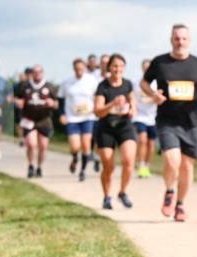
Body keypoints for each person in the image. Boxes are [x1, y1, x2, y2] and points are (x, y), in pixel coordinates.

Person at [141, 24, 197, 222]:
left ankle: (181, 205)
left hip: (190, 123)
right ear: (171, 40)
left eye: (183, 38)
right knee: (172, 160)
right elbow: (144, 82)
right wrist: (153, 94)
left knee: (187, 167)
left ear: (189, 40)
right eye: (176, 38)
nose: (180, 42)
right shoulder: (160, 62)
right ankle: (169, 191)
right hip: (167, 120)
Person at [94, 53, 138, 209]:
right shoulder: (103, 87)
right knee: (109, 165)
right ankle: (106, 196)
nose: (118, 69)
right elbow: (97, 111)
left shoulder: (128, 84)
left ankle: (123, 192)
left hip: (125, 126)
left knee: (128, 161)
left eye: (121, 66)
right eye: (114, 66)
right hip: (106, 127)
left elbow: (133, 104)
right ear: (109, 68)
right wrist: (112, 103)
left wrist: (132, 110)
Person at [14, 65, 58, 178]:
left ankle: (39, 167)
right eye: (35, 72)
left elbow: (57, 103)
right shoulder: (25, 86)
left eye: (39, 72)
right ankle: (31, 165)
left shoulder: (49, 86)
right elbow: (15, 97)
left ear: (42, 73)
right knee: (31, 144)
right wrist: (18, 102)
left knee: (43, 146)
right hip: (29, 119)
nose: (37, 74)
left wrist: (52, 103)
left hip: (44, 120)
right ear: (32, 73)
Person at [59, 58, 99, 181]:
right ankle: (75, 157)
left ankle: (83, 170)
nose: (79, 71)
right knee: (75, 146)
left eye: (81, 69)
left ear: (85, 68)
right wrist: (62, 114)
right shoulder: (67, 82)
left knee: (86, 145)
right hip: (72, 118)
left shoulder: (92, 81)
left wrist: (96, 109)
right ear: (73, 69)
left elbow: (98, 96)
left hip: (88, 117)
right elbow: (61, 99)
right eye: (76, 69)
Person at [133, 58, 158, 178]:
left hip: (152, 117)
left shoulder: (156, 83)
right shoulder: (136, 82)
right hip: (139, 116)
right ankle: (141, 165)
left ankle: (147, 166)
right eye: (145, 67)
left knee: (151, 144)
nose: (147, 69)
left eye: (149, 67)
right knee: (142, 140)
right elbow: (131, 96)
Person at [13, 68, 31, 146]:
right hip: (19, 107)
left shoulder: (32, 85)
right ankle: (21, 139)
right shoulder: (17, 85)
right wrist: (17, 101)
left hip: (28, 107)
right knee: (19, 123)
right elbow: (13, 96)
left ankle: (26, 138)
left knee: (27, 123)